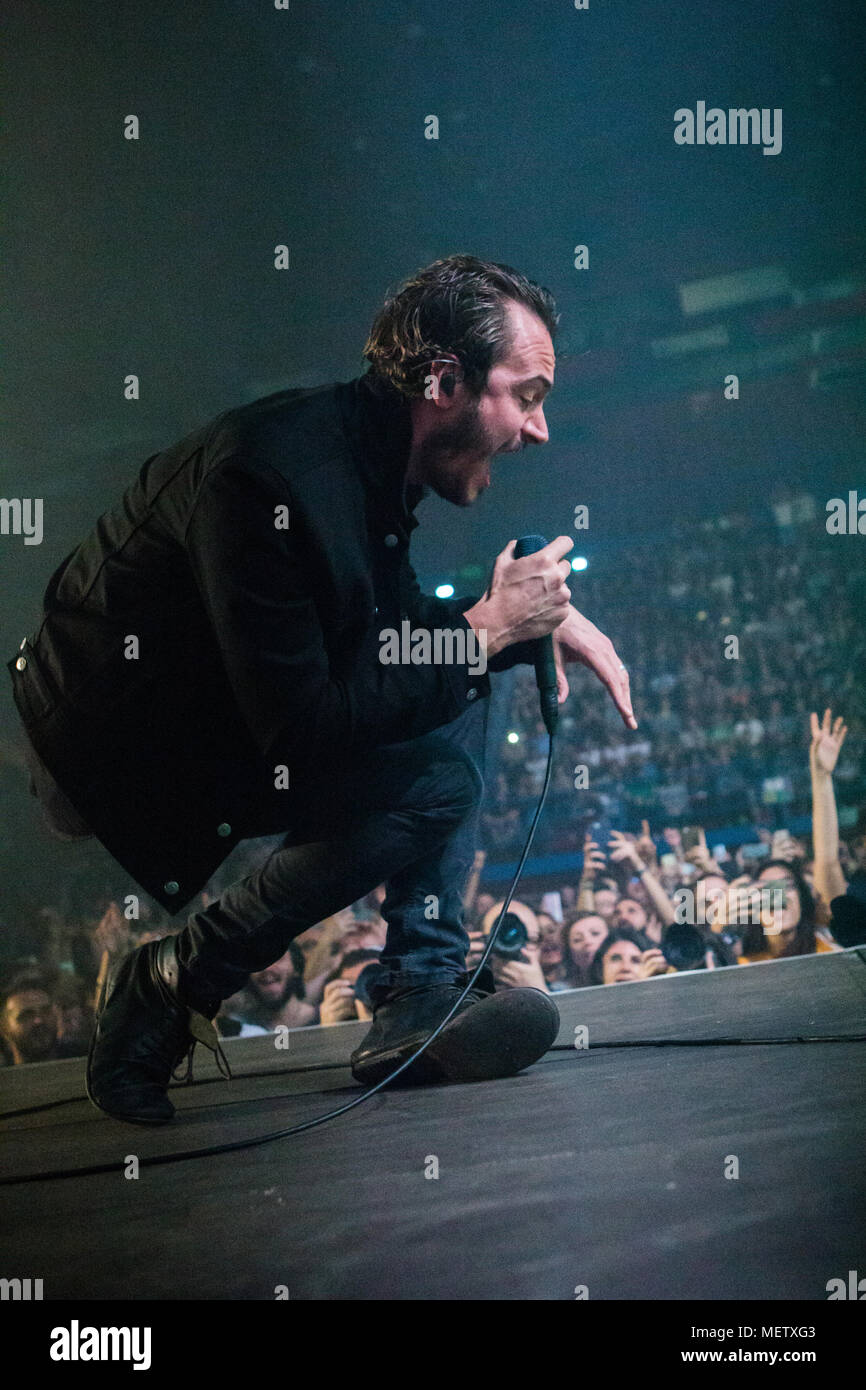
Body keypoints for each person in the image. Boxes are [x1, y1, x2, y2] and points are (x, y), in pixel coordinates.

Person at [8, 254, 636, 1123]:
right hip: (108, 738)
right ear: (446, 382)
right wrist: (488, 628)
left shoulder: (367, 462)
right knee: (446, 729)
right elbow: (301, 725)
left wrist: (507, 629)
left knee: (459, 670)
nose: (540, 430)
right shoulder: (270, 477)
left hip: (211, 703)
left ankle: (419, 990)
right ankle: (172, 980)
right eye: (528, 395)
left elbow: (398, 640)